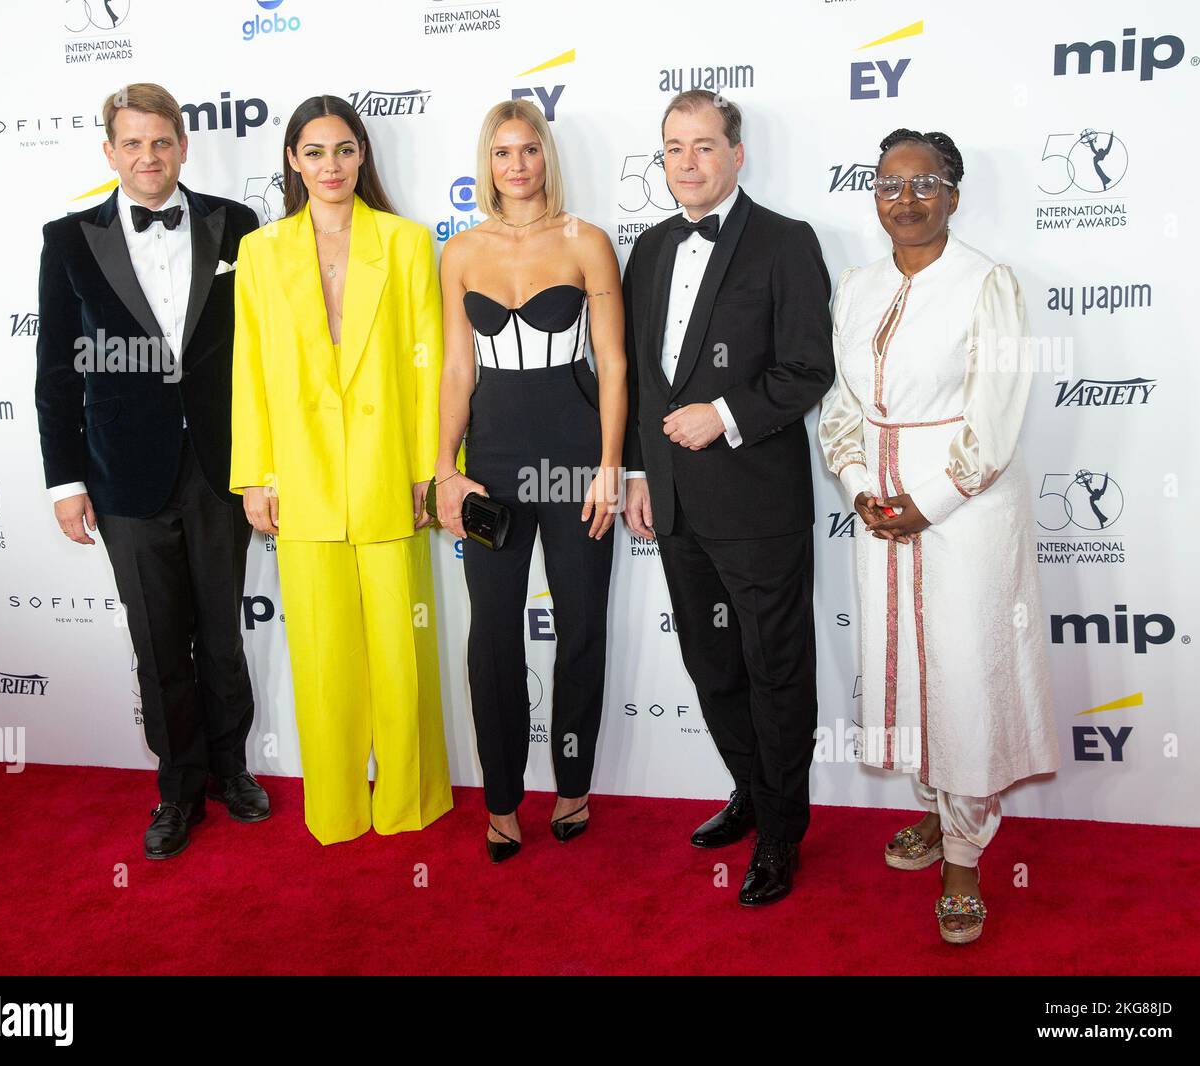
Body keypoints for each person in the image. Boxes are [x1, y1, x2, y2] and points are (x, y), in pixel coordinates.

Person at [817, 128, 1059, 944]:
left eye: (925, 184)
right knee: (907, 670)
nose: (907, 200)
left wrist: (930, 499)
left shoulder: (987, 282)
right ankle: (936, 805)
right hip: (879, 511)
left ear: (953, 194)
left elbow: (996, 414)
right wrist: (859, 484)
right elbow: (842, 405)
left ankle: (964, 857)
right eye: (890, 184)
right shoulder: (857, 286)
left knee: (964, 676)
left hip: (966, 512)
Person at [35, 83, 268, 860]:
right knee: (158, 642)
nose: (148, 156)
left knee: (222, 633)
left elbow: (264, 353)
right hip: (122, 473)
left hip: (220, 465)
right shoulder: (69, 241)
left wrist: (265, 463)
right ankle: (178, 788)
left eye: (161, 141)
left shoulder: (236, 225)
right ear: (110, 152)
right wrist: (65, 482)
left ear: (183, 146)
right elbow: (56, 373)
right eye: (132, 143)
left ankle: (231, 770)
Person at [621, 90, 834, 906]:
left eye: (704, 146)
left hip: (757, 507)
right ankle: (749, 788)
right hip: (676, 505)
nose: (688, 162)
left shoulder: (786, 241)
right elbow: (642, 379)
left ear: (737, 154)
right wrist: (639, 473)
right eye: (674, 148)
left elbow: (808, 368)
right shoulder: (648, 249)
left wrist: (727, 414)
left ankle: (782, 831)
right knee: (713, 666)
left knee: (775, 671)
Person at [230, 95, 452, 846]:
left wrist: (429, 468)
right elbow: (249, 370)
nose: (331, 165)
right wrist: (255, 474)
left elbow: (430, 363)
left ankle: (410, 798)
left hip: (390, 469)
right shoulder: (261, 252)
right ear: (293, 160)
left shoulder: (407, 242)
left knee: (401, 648)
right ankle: (334, 806)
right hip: (301, 477)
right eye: (316, 151)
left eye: (345, 149)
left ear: (363, 156)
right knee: (323, 656)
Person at [435, 99, 626, 862]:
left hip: (577, 457)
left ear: (547, 155)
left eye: (529, 149)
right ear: (487, 163)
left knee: (580, 625)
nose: (517, 165)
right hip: (494, 465)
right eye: (502, 152)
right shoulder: (460, 252)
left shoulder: (588, 242)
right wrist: (445, 470)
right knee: (491, 635)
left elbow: (613, 362)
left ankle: (573, 786)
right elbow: (458, 369)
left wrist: (611, 466)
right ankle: (503, 798)